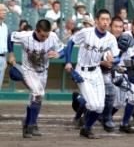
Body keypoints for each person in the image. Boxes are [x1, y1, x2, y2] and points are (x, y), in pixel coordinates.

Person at [65, 9, 120, 139]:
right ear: (96, 21)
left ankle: (86, 129)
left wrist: (114, 60)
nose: (105, 22)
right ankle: (79, 99)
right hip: (82, 71)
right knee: (93, 105)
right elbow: (71, 42)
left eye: (108, 19)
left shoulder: (111, 38)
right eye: (103, 19)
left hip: (96, 72)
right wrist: (68, 62)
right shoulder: (86, 32)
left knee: (100, 107)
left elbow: (116, 56)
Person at [8, 19, 64, 138]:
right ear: (37, 31)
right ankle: (30, 125)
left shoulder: (52, 36)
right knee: (38, 94)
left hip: (43, 72)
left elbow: (62, 51)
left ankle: (29, 124)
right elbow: (10, 36)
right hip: (28, 71)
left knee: (36, 98)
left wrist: (58, 54)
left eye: (47, 35)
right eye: (43, 35)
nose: (45, 38)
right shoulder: (25, 36)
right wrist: (11, 54)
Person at [0, 5, 7, 90]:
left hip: (2, 57)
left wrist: (5, 58)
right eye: (2, 10)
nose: (4, 12)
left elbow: (4, 43)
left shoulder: (5, 26)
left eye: (5, 11)